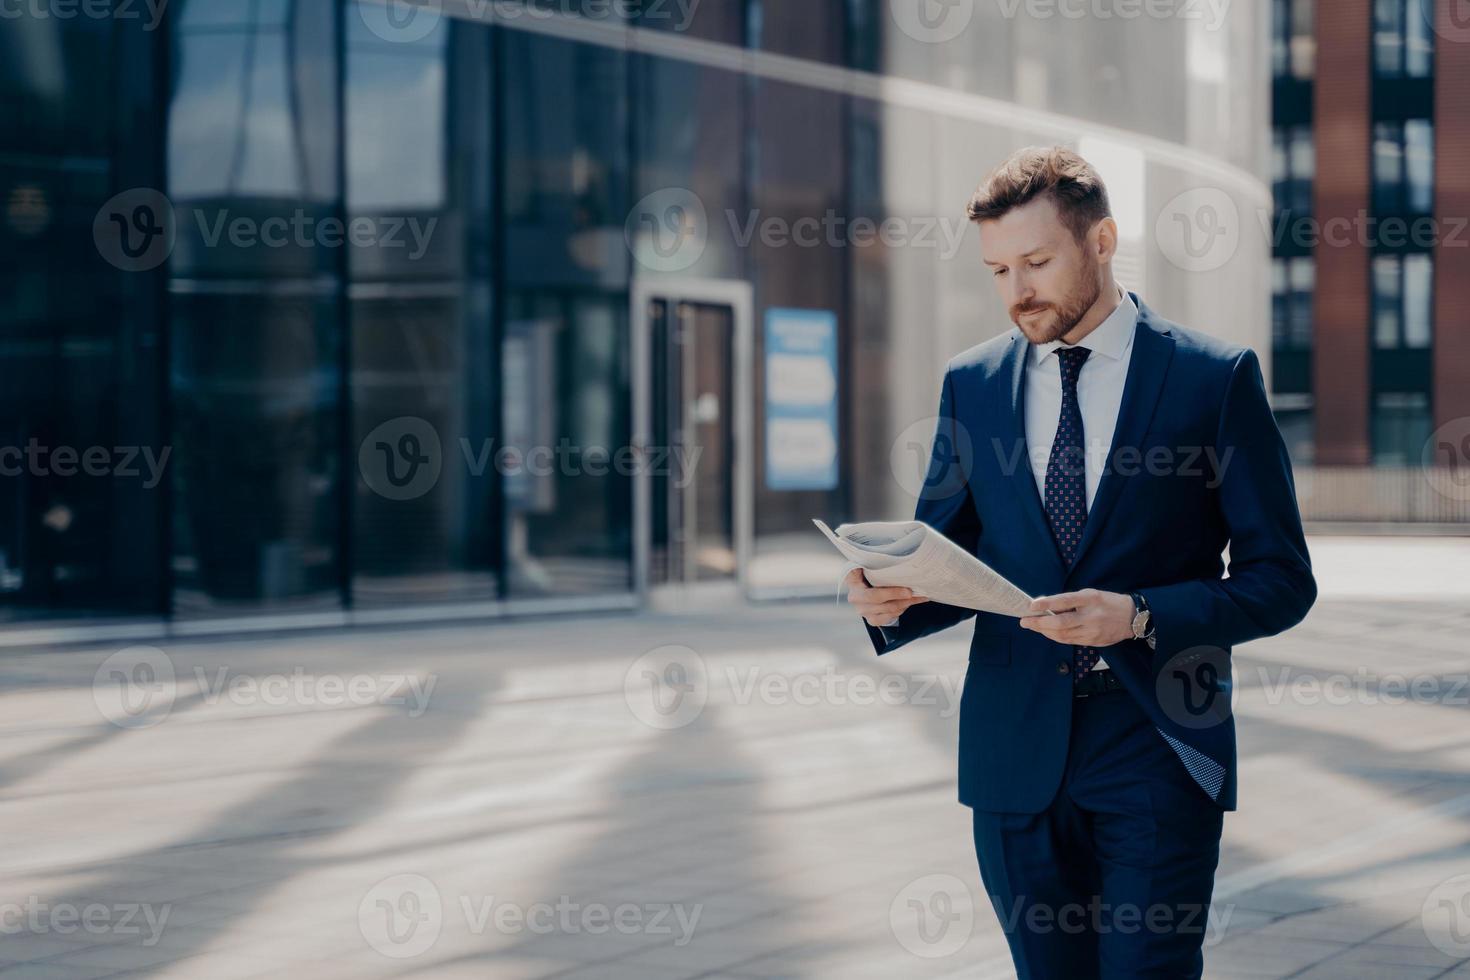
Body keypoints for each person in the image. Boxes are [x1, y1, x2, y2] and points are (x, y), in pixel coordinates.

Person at [845, 145, 1316, 978]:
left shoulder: (1214, 379)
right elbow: (951, 559)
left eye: (1036, 261)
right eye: (997, 269)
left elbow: (1282, 580)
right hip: (1014, 753)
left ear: (1101, 241)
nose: (1016, 290)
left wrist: (1138, 614)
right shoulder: (973, 383)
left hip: (1156, 742)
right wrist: (894, 599)